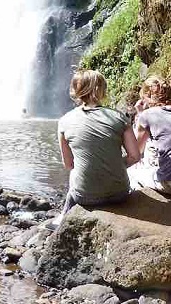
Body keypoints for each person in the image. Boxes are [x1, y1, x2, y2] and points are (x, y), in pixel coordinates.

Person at [50, 69, 140, 228]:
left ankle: (63, 216)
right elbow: (134, 157)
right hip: (120, 195)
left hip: (84, 197)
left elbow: (69, 165)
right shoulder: (120, 117)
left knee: (75, 171)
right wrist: (113, 165)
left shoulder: (64, 121)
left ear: (76, 91)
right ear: (102, 90)